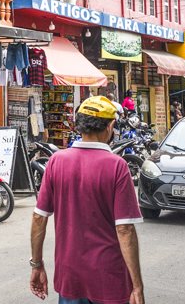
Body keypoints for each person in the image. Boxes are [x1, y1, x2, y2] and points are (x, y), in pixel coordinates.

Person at [30, 96, 144, 304]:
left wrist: (36, 265)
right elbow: (125, 230)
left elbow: (39, 218)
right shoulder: (117, 166)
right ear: (110, 126)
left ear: (79, 126)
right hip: (109, 276)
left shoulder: (56, 161)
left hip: (69, 275)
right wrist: (137, 286)